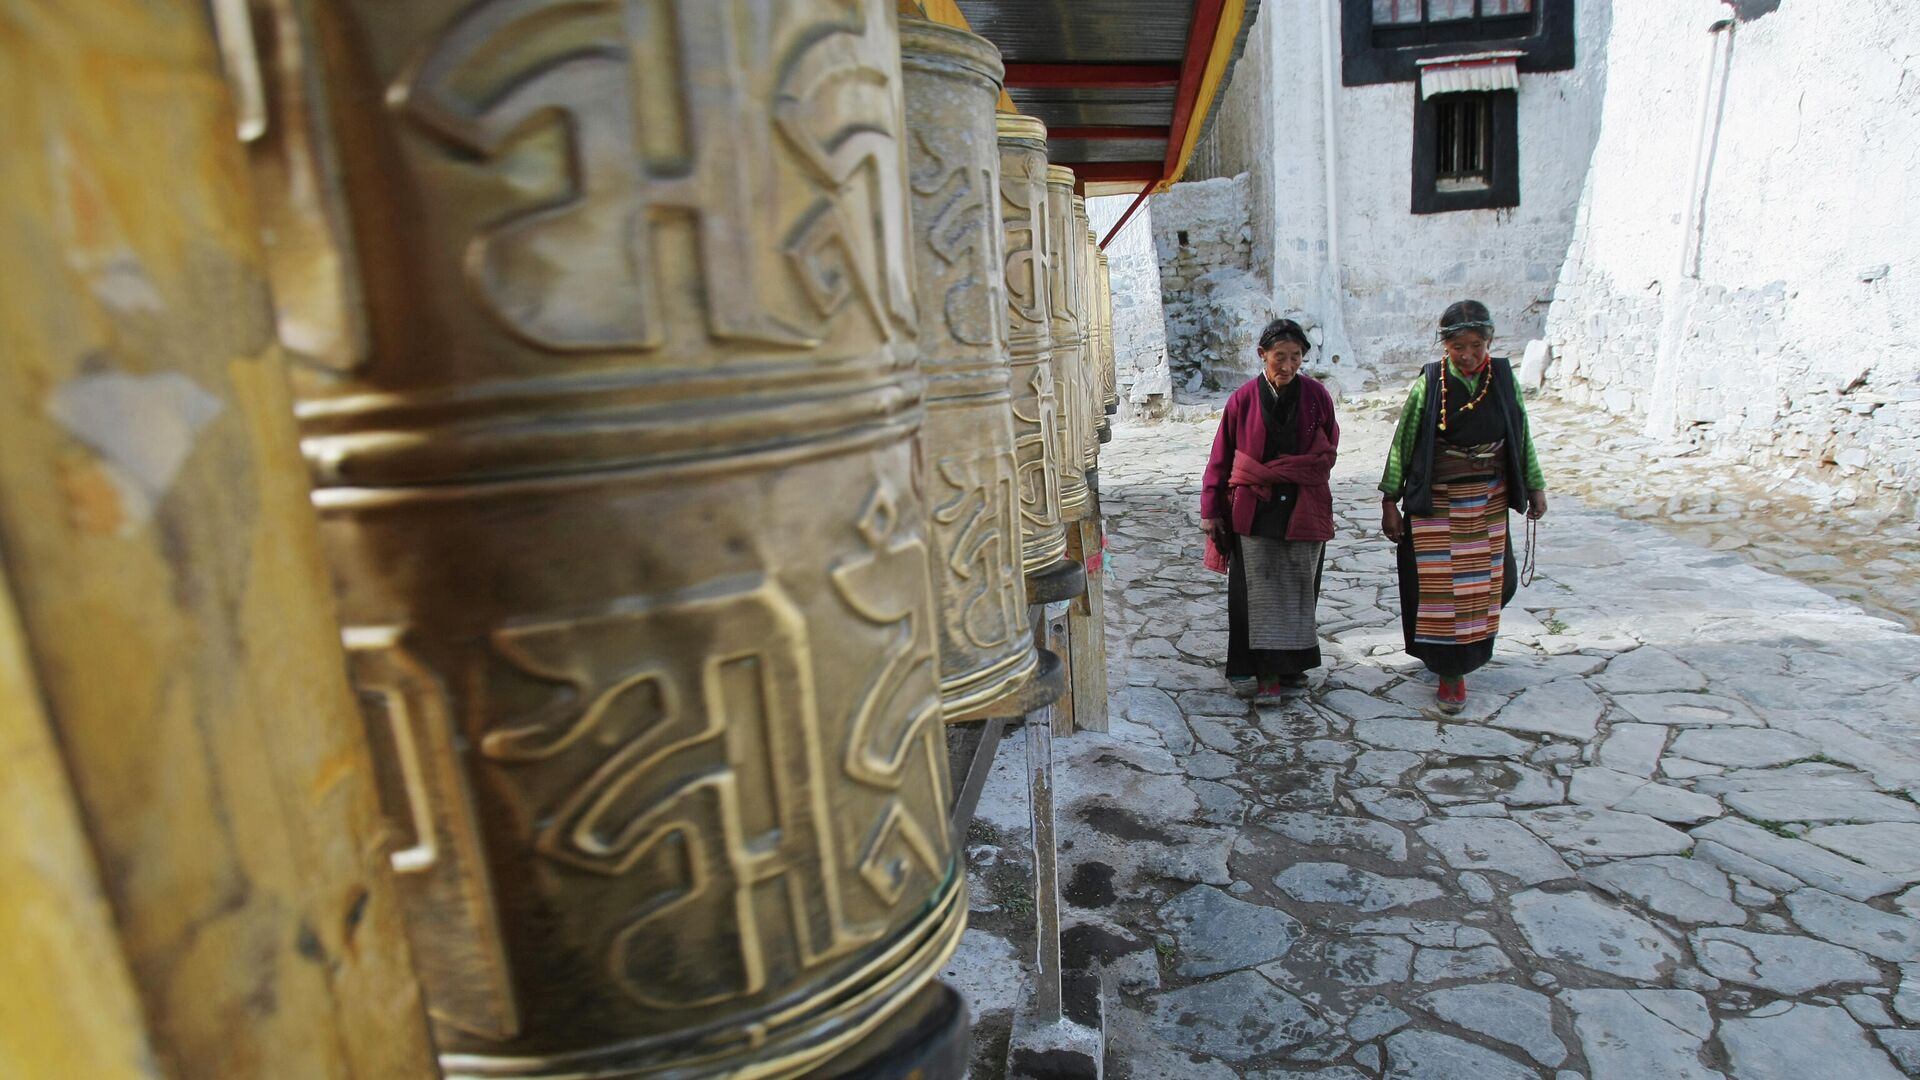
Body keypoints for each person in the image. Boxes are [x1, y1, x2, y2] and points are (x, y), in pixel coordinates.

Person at [1379, 300, 1548, 714]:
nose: (1468, 355)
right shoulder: (1430, 383)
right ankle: (1450, 674)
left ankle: (1467, 654)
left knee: (1490, 586)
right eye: (1458, 347)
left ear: (1488, 341)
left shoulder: (1503, 379)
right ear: (1445, 348)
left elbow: (1520, 434)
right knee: (1441, 594)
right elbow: (1404, 441)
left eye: (1476, 345)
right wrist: (1389, 499)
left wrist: (1535, 486)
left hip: (1487, 502)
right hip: (1438, 502)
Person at [1200, 318, 1340, 699]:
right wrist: (1211, 510)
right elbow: (1221, 459)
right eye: (1280, 357)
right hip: (1255, 509)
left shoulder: (1317, 396)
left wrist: (1299, 469)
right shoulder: (1242, 400)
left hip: (1303, 504)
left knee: (1298, 590)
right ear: (1262, 355)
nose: (1288, 366)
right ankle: (1264, 675)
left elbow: (1328, 448)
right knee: (1257, 596)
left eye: (1296, 358)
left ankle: (1292, 668)